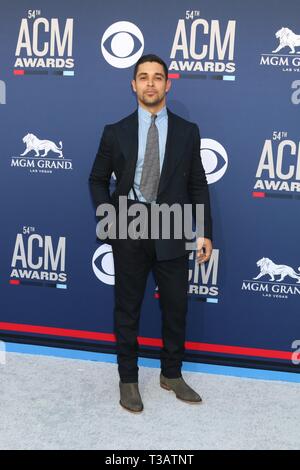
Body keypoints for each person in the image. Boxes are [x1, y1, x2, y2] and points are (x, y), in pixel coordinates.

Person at [89, 54, 213, 413]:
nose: (150, 83)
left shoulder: (188, 132)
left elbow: (198, 185)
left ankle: (171, 374)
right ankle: (128, 379)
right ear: (133, 84)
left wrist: (204, 232)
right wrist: (108, 219)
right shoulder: (115, 131)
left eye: (157, 77)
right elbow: (97, 179)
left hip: (172, 226)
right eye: (143, 77)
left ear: (167, 84)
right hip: (128, 226)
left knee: (176, 307)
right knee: (127, 308)